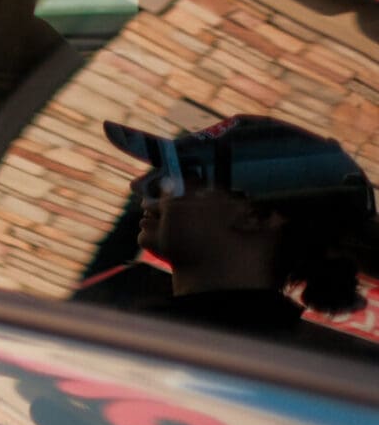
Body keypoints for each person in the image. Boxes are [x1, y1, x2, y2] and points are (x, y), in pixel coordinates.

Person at [93, 114, 379, 356]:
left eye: (182, 174)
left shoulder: (180, 344)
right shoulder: (262, 349)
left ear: (257, 216)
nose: (140, 185)